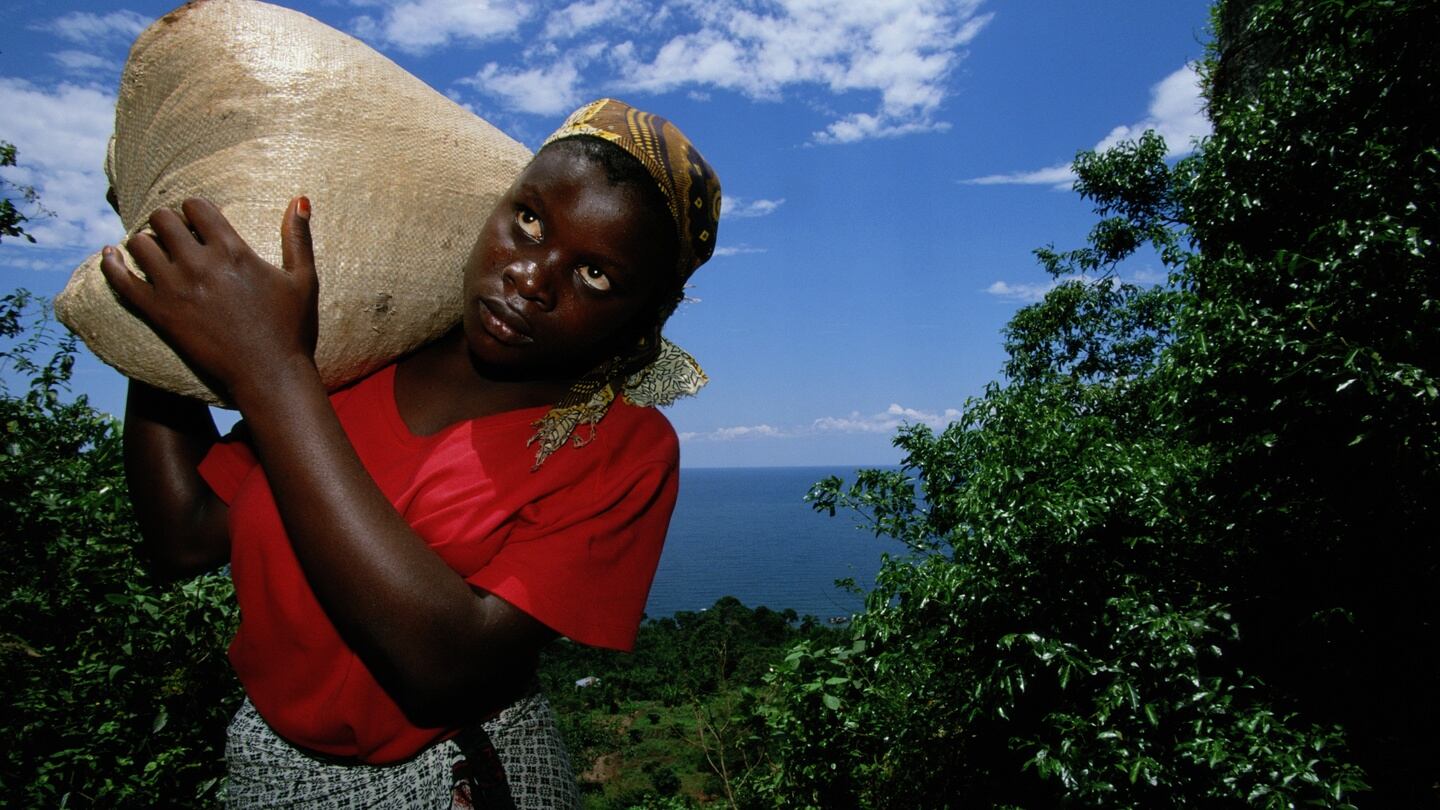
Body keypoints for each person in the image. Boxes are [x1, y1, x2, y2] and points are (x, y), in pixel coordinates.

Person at [100, 98, 722, 808]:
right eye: (529, 220)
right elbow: (185, 536)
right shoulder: (358, 358)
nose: (532, 278)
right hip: (265, 769)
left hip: (461, 778)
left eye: (595, 276)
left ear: (642, 322)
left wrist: (270, 370)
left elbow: (447, 669)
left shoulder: (620, 448)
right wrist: (168, 318)